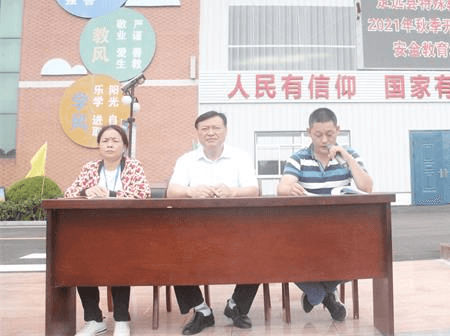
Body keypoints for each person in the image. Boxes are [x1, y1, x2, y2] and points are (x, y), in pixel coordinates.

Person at [166, 111, 260, 335]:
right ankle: (202, 311)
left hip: (236, 229)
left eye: (216, 128)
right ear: (198, 133)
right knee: (172, 255)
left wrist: (233, 192)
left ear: (225, 131)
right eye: (205, 129)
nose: (210, 132)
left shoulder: (240, 157)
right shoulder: (186, 160)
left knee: (260, 252)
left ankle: (236, 306)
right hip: (195, 231)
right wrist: (191, 191)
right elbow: (172, 191)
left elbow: (253, 190)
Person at [277, 107, 373, 321]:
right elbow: (282, 187)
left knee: (366, 254)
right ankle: (326, 295)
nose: (324, 140)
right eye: (318, 134)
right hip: (305, 233)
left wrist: (347, 157)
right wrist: (289, 188)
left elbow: (366, 187)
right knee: (282, 256)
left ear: (338, 130)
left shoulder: (350, 155)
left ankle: (315, 293)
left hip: (341, 232)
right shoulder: (298, 158)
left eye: (329, 134)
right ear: (308, 132)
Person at [64, 125, 151, 336]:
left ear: (124, 146)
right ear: (99, 145)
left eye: (115, 140)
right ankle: (94, 320)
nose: (109, 144)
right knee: (81, 262)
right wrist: (86, 191)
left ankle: (121, 319)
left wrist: (110, 194)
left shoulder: (133, 166)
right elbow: (69, 192)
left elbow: (143, 193)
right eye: (105, 141)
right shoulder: (89, 168)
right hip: (92, 230)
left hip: (124, 230)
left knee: (119, 261)